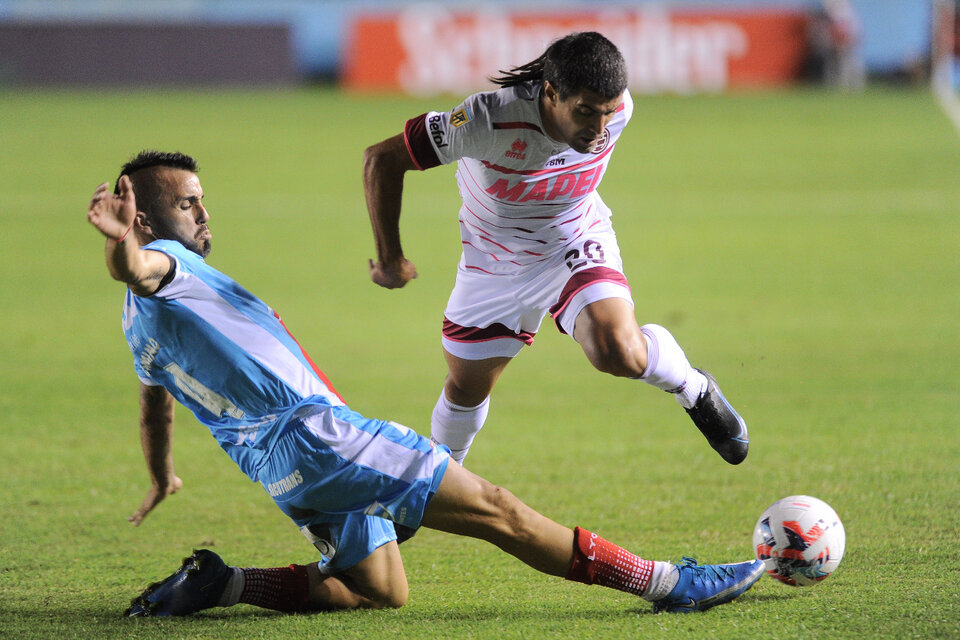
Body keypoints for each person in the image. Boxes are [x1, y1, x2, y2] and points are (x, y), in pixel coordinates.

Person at [87, 150, 763, 617]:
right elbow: (137, 269)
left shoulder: (137, 330)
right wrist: (124, 247)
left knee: (380, 590)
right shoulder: (165, 265)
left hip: (280, 472)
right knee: (500, 512)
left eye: (202, 202)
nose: (203, 216)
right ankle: (671, 583)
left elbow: (155, 405)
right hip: (322, 438)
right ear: (143, 220)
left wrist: (161, 474)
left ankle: (223, 585)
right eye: (187, 205)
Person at [362, 32, 749, 468]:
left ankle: (695, 389)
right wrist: (390, 257)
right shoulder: (483, 119)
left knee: (616, 350)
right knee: (467, 386)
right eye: (585, 112)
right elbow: (381, 159)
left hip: (572, 240)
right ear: (551, 92)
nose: (598, 128)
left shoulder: (617, 110)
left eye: (607, 112)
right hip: (493, 262)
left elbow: (601, 118)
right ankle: (436, 481)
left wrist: (597, 113)